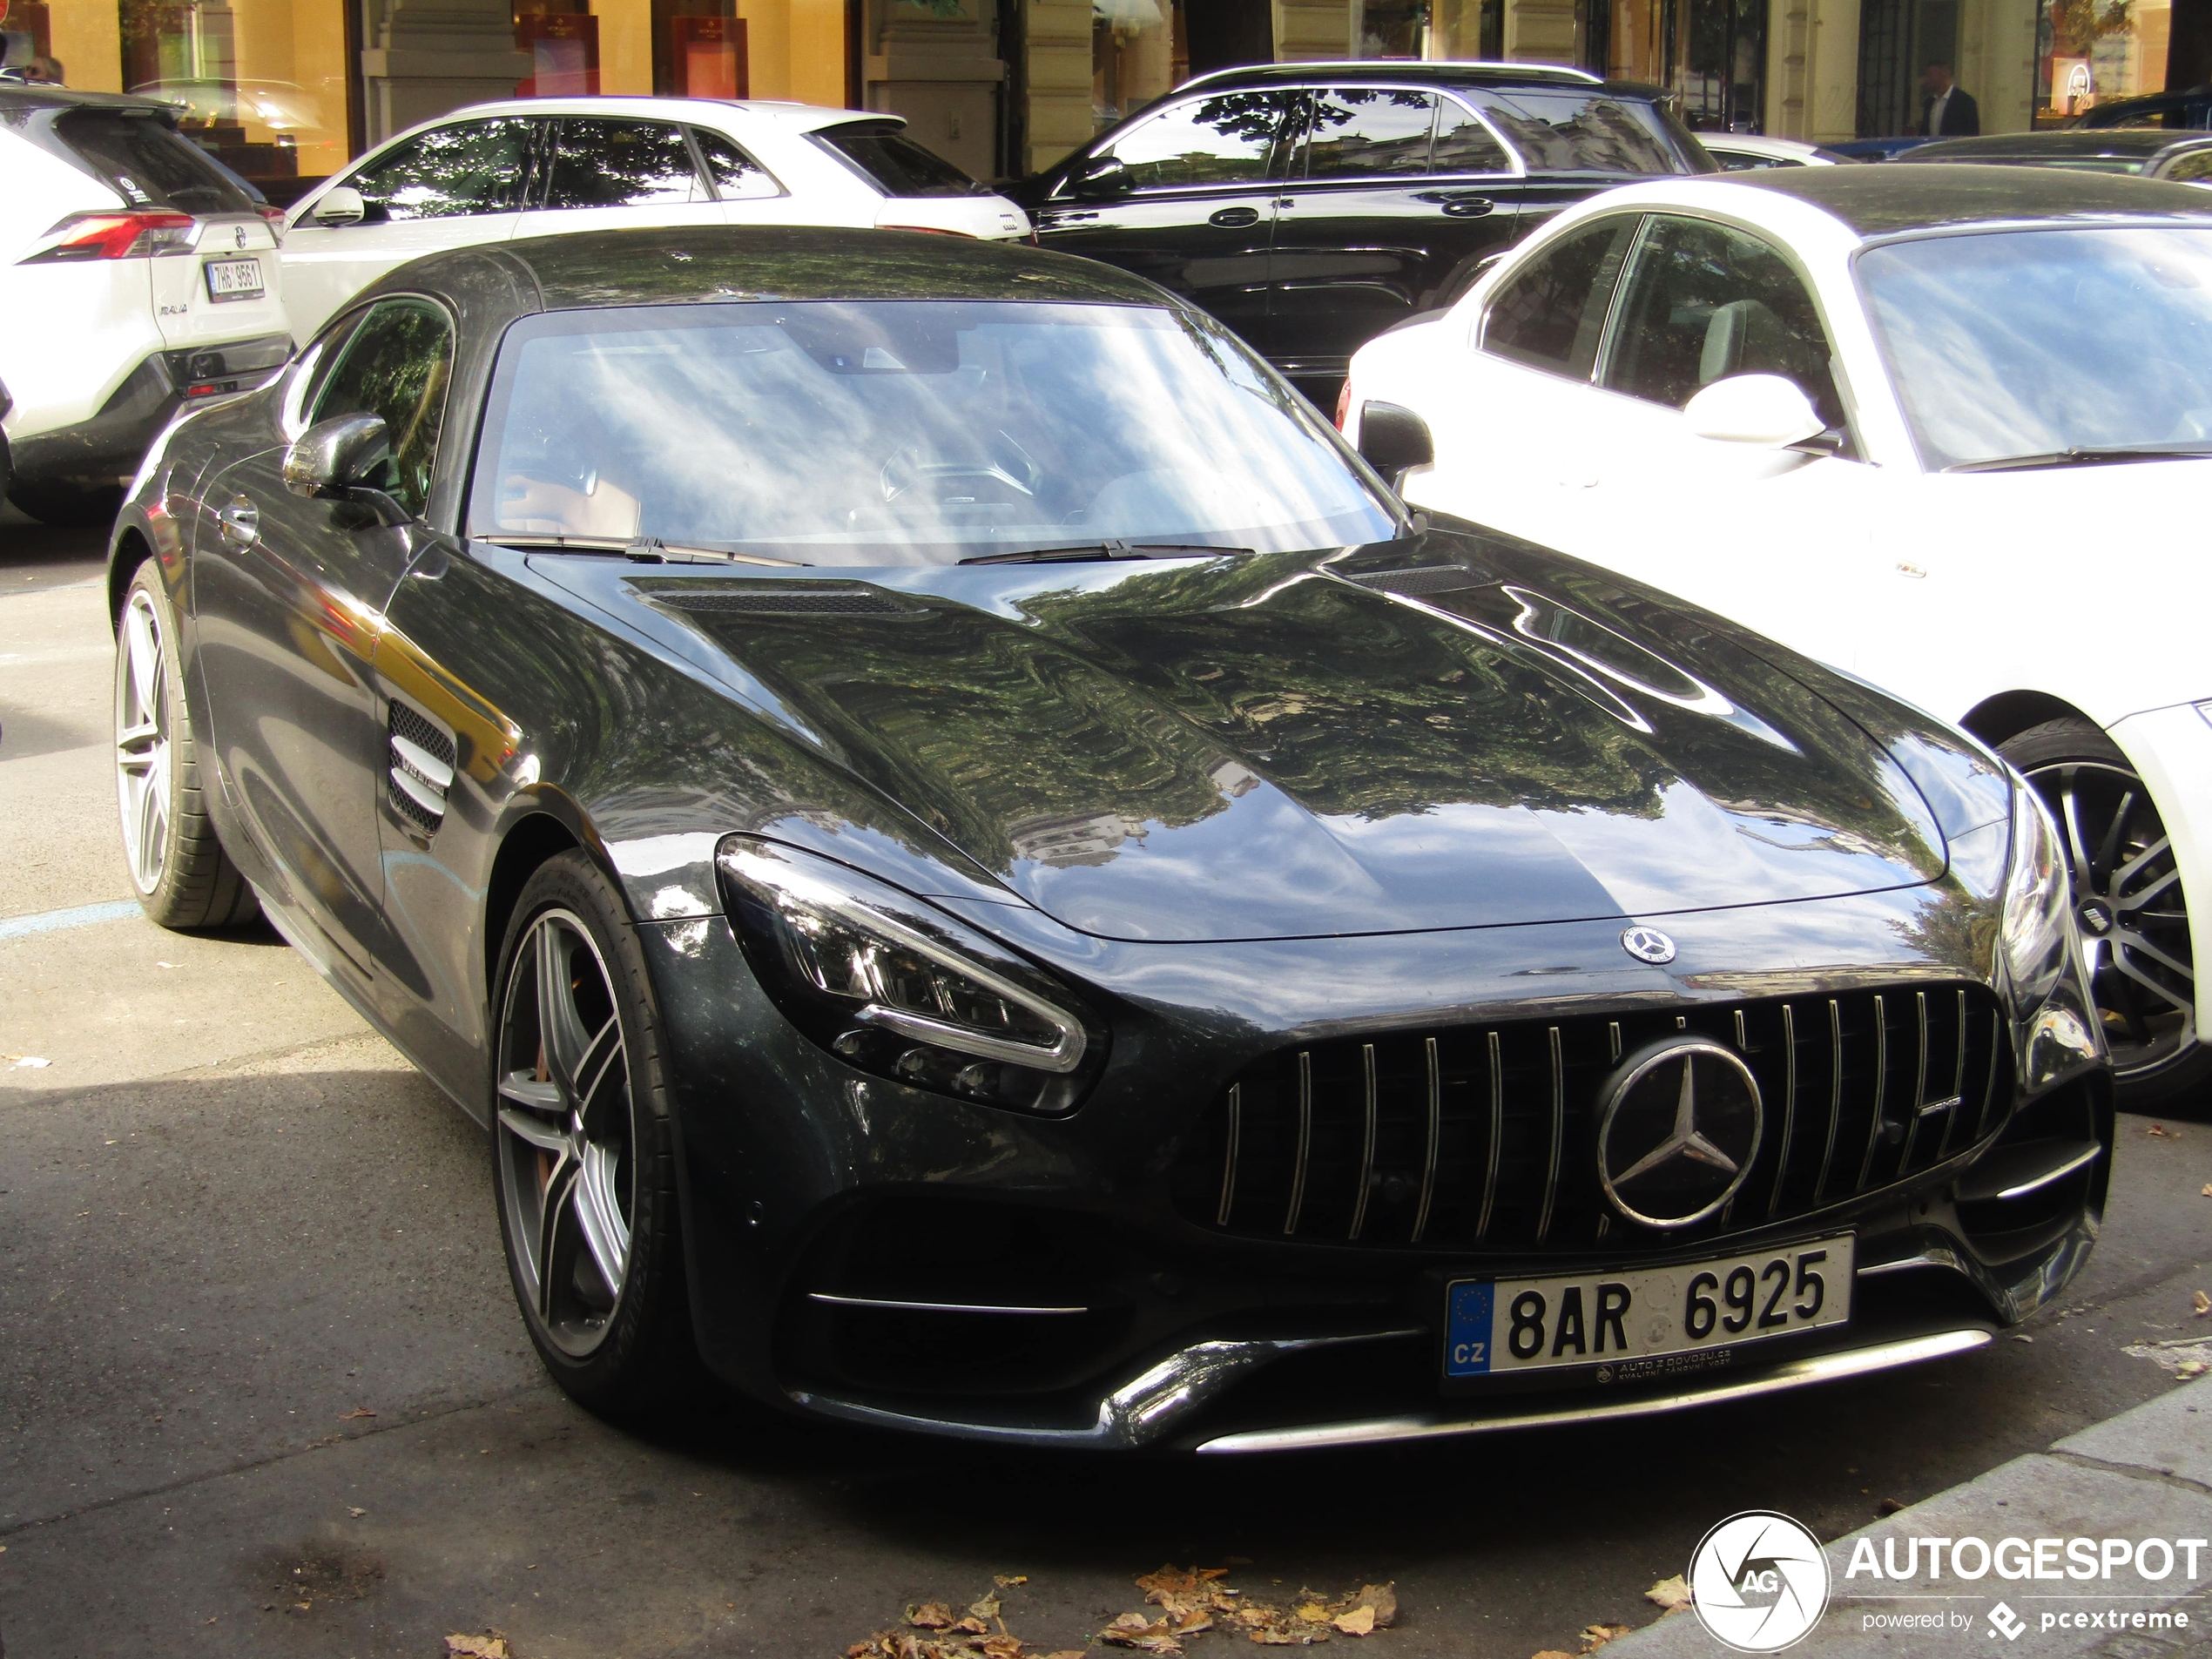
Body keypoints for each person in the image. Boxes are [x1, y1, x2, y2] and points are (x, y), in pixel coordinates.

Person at [1920, 61, 1979, 135]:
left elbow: (1972, 135)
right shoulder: (1929, 102)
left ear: (1944, 75)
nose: (1926, 80)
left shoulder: (1965, 102)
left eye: (1930, 75)